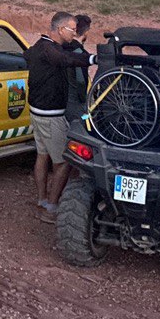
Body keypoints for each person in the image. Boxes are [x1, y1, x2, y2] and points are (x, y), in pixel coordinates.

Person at [24, 13, 96, 223]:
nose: (74, 34)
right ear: (61, 29)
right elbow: (65, 60)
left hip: (37, 112)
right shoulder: (51, 51)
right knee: (63, 162)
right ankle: (52, 208)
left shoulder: (39, 46)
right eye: (72, 29)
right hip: (52, 115)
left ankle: (42, 200)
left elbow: (27, 56)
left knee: (42, 155)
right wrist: (91, 59)